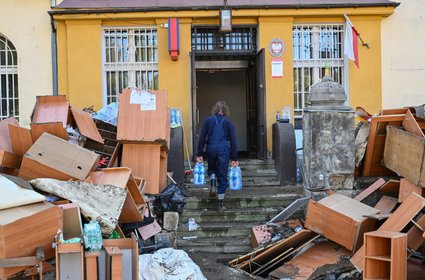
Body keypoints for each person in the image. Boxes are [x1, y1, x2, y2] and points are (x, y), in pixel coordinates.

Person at [196, 101, 239, 212]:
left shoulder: (207, 121)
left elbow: (201, 138)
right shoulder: (229, 123)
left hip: (210, 149)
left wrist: (199, 154)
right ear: (225, 111)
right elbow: (234, 142)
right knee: (223, 175)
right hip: (223, 150)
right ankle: (220, 204)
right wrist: (234, 158)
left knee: (211, 168)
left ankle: (213, 182)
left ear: (215, 110)